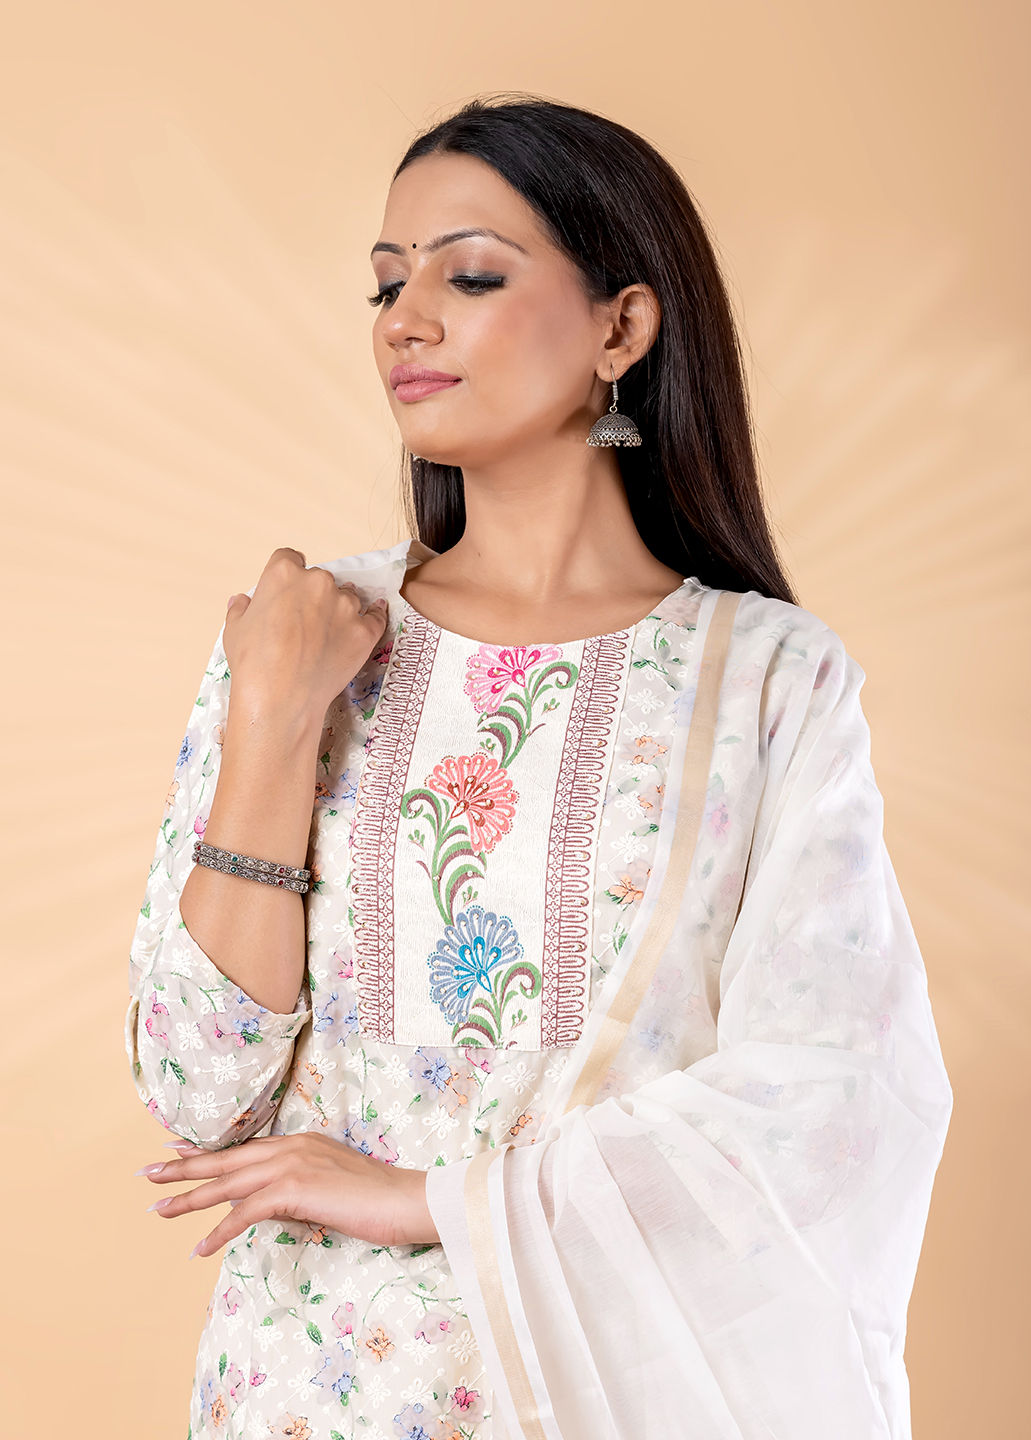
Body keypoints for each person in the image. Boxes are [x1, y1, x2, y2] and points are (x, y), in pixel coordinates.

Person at [125, 93, 953, 1440]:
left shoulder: (765, 680)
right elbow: (198, 1093)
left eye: (468, 276)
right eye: (387, 284)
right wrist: (273, 721)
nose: (404, 321)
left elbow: (833, 1097)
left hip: (606, 1394)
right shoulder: (305, 635)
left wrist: (431, 1200)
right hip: (304, 1394)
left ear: (621, 329)